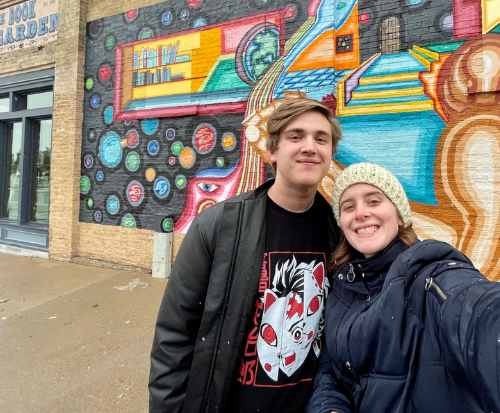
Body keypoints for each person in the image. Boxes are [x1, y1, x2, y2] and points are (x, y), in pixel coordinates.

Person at [149, 97, 342, 413]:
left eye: (321, 139)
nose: (310, 146)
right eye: (296, 136)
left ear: (330, 153)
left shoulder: (342, 235)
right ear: (272, 151)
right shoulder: (219, 227)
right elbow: (174, 337)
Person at [306, 162, 500, 413]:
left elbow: (475, 313)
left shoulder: (428, 274)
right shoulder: (343, 289)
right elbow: (333, 370)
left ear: (398, 214)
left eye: (374, 201)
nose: (361, 213)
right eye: (349, 206)